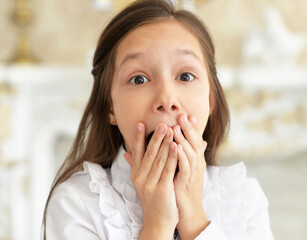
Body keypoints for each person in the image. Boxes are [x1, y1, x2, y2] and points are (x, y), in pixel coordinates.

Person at [42, 0, 274, 239]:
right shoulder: (76, 203)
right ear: (109, 106)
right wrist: (157, 225)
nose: (166, 98)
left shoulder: (244, 198)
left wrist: (193, 217)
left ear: (211, 100)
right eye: (139, 79)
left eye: (185, 76)